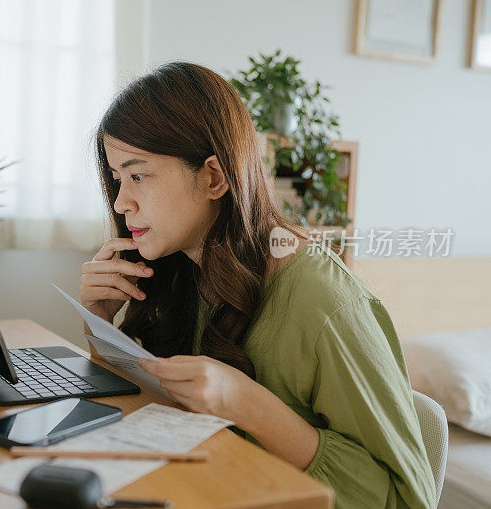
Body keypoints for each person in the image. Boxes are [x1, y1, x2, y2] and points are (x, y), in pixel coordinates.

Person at [79, 62, 436, 508]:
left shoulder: (322, 301)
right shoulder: (181, 270)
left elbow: (407, 500)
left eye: (138, 175)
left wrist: (249, 404)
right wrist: (99, 320)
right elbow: (143, 409)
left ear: (213, 177)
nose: (120, 201)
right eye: (116, 178)